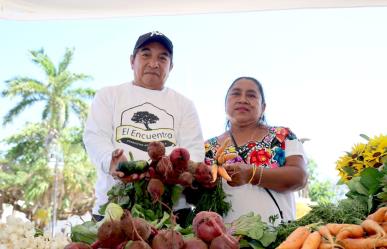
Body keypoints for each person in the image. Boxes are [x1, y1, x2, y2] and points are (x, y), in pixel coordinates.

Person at [83, 31, 205, 221]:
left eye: (162, 58)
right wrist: (112, 161)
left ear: (171, 66)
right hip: (115, 210)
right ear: (132, 61)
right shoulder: (109, 95)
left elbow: (195, 150)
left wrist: (177, 172)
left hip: (173, 213)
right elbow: (95, 137)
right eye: (146, 54)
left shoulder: (184, 105)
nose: (154, 63)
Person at [204, 76, 307, 225]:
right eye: (236, 94)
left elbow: (299, 177)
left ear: (263, 107)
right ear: (226, 103)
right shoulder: (207, 148)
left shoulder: (283, 136)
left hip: (281, 238)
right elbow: (194, 195)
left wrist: (252, 174)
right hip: (225, 240)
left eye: (251, 95)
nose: (243, 99)